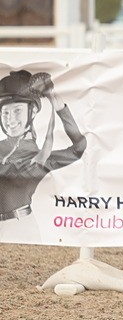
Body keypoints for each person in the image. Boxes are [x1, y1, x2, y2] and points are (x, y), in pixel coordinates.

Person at [0, 70, 87, 221]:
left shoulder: (42, 158)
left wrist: (54, 99)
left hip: (21, 226)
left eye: (17, 110)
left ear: (32, 111)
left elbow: (78, 148)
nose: (10, 120)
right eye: (5, 112)